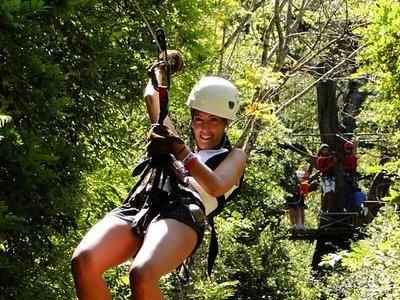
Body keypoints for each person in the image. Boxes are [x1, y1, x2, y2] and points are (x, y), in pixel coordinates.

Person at [71, 55, 247, 299]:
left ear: (226, 123)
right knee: (84, 260)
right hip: (144, 203)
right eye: (199, 119)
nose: (205, 128)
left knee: (142, 273)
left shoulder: (234, 156)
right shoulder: (176, 142)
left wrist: (179, 151)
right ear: (192, 120)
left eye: (213, 121)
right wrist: (161, 70)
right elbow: (152, 97)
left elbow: (216, 185)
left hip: (182, 213)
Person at [313, 143, 337, 212]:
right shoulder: (320, 159)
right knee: (327, 193)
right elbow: (322, 169)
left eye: (327, 150)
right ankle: (323, 209)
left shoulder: (331, 157)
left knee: (332, 193)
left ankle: (329, 209)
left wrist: (333, 159)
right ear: (321, 151)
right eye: (324, 150)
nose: (325, 151)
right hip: (324, 177)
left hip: (332, 177)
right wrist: (331, 164)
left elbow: (335, 162)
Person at [342, 140, 359, 211]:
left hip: (349, 177)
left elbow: (352, 167)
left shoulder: (349, 157)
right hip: (350, 176)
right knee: (350, 192)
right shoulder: (350, 157)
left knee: (349, 193)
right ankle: (352, 207)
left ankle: (350, 208)